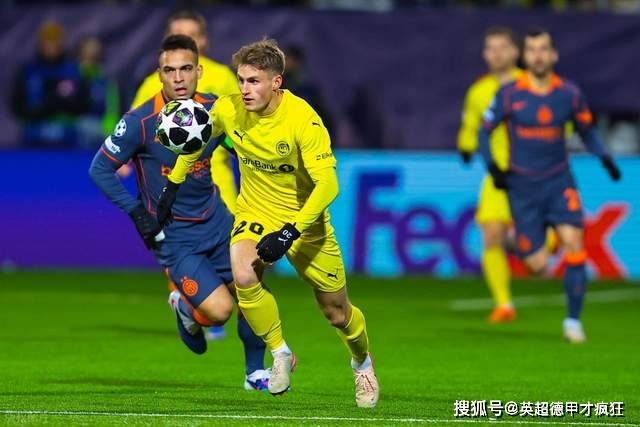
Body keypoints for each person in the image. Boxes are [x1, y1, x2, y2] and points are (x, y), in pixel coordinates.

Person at [156, 39, 379, 407]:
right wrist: (172, 186)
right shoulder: (229, 109)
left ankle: (362, 364)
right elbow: (196, 141)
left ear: (276, 82)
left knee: (336, 312)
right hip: (255, 212)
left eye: (254, 81)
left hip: (305, 222)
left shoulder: (303, 119)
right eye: (242, 80)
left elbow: (328, 184)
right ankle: (280, 353)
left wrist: (290, 232)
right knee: (243, 274)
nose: (245, 89)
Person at [89, 35, 270, 390]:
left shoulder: (215, 110)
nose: (178, 78)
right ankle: (187, 309)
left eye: (186, 69)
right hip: (174, 237)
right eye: (169, 71)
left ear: (199, 71)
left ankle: (255, 372)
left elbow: (241, 147)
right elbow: (100, 169)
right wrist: (137, 213)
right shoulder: (141, 121)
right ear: (159, 75)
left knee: (252, 289)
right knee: (219, 311)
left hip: (218, 222)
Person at [478, 29, 622, 343]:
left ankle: (573, 322)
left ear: (554, 55)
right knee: (537, 265)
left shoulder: (569, 94)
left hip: (559, 182)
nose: (538, 56)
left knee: (574, 243)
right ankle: (517, 242)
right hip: (523, 188)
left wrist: (605, 158)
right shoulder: (509, 94)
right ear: (525, 56)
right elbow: (483, 131)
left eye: (543, 49)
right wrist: (493, 168)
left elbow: (587, 130)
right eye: (532, 50)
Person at [131, 9, 239, 341]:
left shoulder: (222, 77)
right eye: (177, 32)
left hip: (217, 178)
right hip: (174, 184)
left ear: (203, 40)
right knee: (184, 252)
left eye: (191, 34)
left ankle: (198, 309)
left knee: (237, 266)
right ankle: (194, 304)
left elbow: (239, 123)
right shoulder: (154, 82)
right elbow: (136, 126)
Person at [457, 27, 522, 323]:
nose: (496, 54)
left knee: (535, 260)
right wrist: (466, 146)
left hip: (533, 174)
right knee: (491, 235)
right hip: (497, 174)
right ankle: (504, 304)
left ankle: (542, 241)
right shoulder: (479, 91)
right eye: (490, 48)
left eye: (502, 47)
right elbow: (471, 125)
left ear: (515, 52)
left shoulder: (531, 85)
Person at [11, 20, 89, 148]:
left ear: (61, 43)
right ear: (40, 43)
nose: (51, 45)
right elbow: (17, 105)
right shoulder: (29, 71)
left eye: (55, 40)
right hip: (34, 132)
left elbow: (84, 103)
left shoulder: (73, 71)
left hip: (68, 132)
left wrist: (61, 103)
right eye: (47, 41)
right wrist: (40, 110)